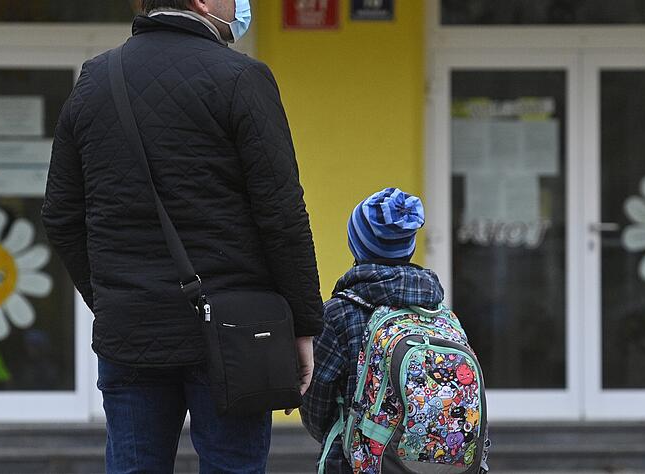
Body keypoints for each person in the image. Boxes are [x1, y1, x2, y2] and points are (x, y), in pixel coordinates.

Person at [41, 0, 323, 472]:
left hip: (131, 328)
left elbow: (61, 214)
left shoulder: (95, 81)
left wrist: (112, 296)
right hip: (238, 332)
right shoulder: (241, 79)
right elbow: (282, 215)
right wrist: (303, 323)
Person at [300, 187, 443, 473]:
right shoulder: (437, 311)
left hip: (354, 462)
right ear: (410, 247)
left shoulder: (339, 313)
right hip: (427, 462)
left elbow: (315, 400)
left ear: (356, 246)